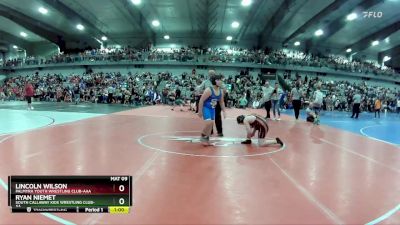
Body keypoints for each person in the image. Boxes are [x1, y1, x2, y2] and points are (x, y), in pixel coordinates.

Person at [198, 72, 226, 145]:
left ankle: (206, 140)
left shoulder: (221, 91)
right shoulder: (209, 90)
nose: (221, 81)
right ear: (215, 81)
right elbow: (201, 100)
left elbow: (221, 102)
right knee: (209, 123)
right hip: (206, 108)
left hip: (212, 109)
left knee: (210, 125)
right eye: (219, 80)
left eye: (221, 80)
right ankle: (203, 135)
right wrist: (200, 111)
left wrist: (224, 111)